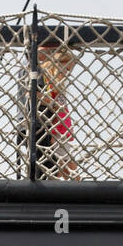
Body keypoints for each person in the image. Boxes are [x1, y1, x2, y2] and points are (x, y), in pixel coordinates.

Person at [34, 42, 77, 179]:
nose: (67, 73)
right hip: (56, 132)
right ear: (57, 65)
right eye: (66, 68)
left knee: (61, 168)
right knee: (69, 168)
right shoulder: (50, 82)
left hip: (62, 131)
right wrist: (51, 133)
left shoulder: (59, 86)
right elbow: (45, 104)